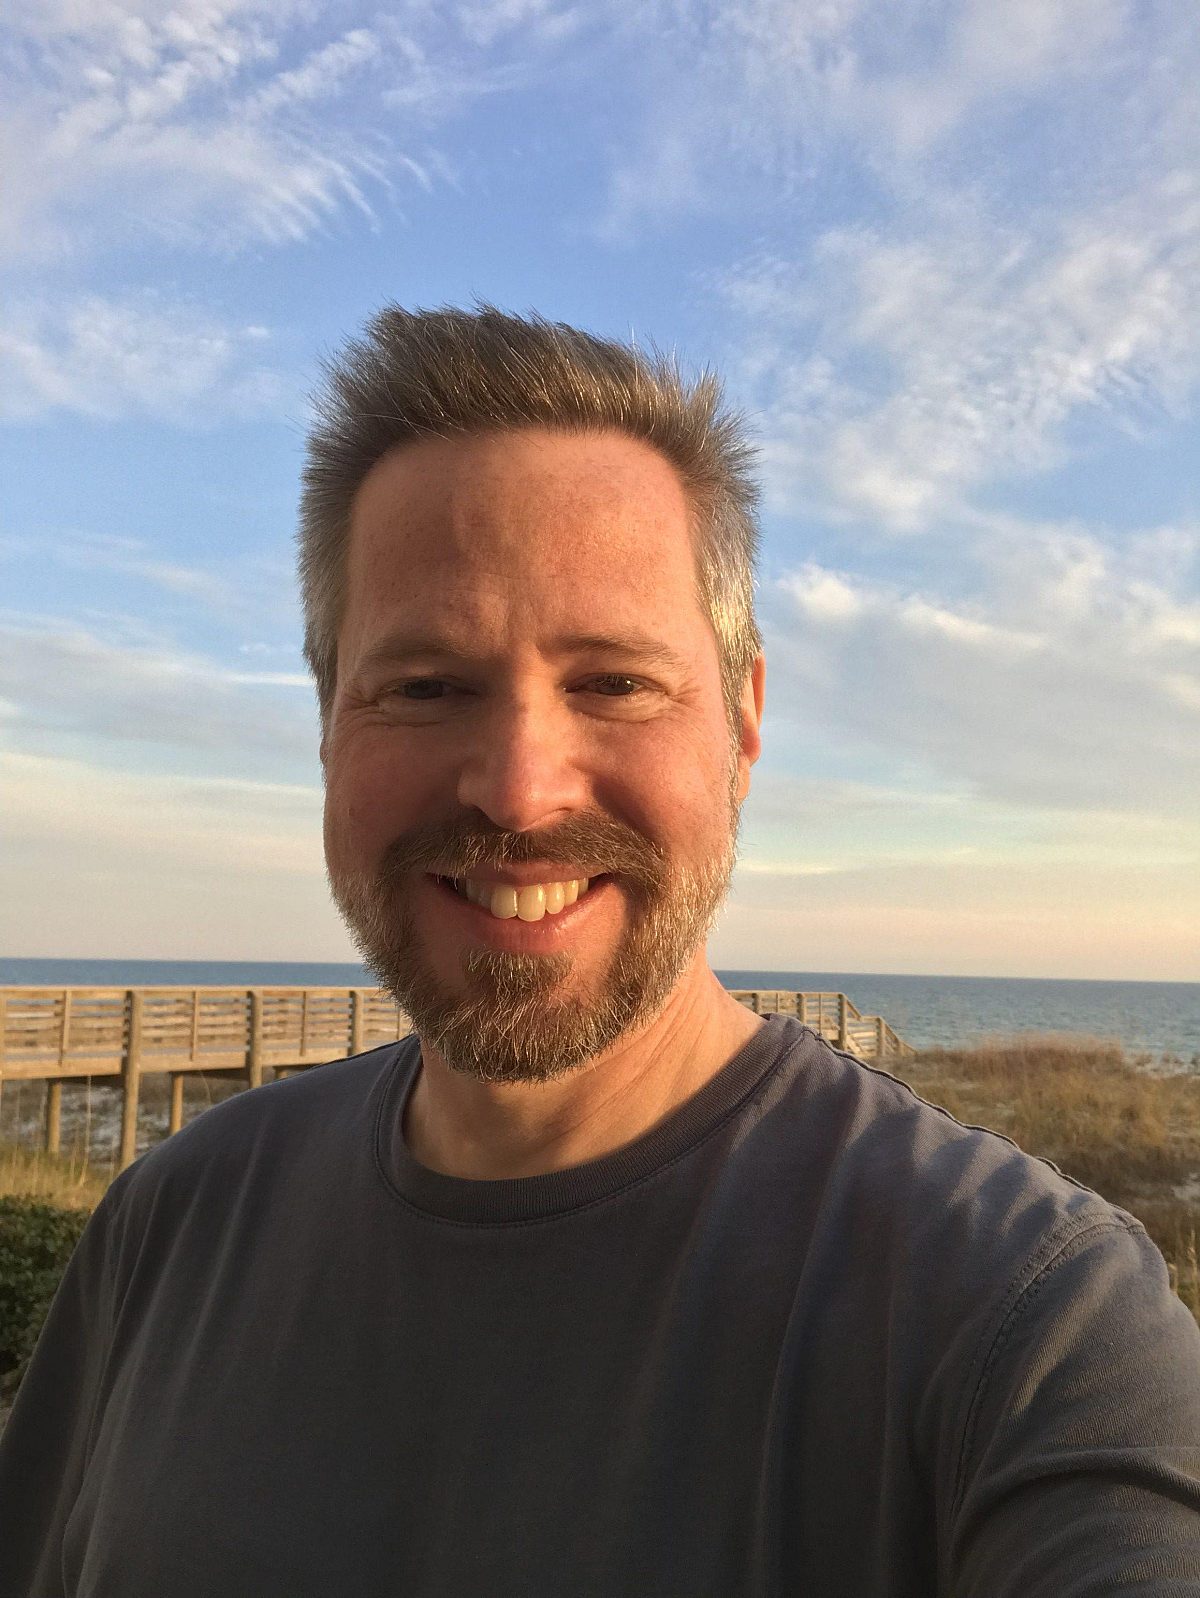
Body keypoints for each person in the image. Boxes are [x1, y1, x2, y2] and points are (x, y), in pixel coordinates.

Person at [1, 306, 1198, 1597]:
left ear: (742, 724)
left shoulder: (1028, 1329)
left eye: (614, 683)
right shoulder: (170, 1226)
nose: (519, 790)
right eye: (424, 686)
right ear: (328, 722)